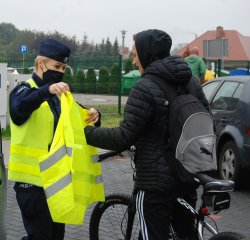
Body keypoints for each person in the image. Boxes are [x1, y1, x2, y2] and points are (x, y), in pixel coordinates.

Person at [84, 29, 209, 239]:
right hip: (188, 175)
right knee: (186, 234)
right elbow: (207, 118)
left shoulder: (145, 86)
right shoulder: (191, 82)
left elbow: (124, 137)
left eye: (134, 54)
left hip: (155, 184)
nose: (133, 61)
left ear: (146, 53)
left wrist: (87, 133)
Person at [8, 39, 100, 240]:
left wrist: (94, 115)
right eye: (57, 66)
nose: (61, 72)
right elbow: (18, 107)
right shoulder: (24, 89)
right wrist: (45, 91)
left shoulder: (59, 96)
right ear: (40, 64)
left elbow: (78, 117)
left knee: (56, 236)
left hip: (56, 185)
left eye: (64, 68)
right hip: (31, 186)